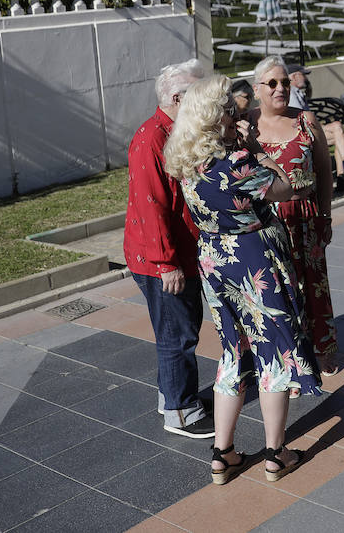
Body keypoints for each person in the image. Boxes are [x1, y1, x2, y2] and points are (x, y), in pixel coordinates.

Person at [166, 76, 322, 485]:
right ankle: (276, 453)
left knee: (232, 353)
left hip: (214, 260)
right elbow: (287, 189)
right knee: (273, 351)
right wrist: (254, 148)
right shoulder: (238, 163)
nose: (238, 116)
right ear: (216, 118)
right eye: (231, 111)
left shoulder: (187, 163)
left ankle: (222, 453)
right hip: (254, 260)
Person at [123, 60, 215, 439]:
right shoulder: (151, 138)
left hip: (178, 254)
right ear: (177, 97)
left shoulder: (173, 131)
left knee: (182, 330)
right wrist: (166, 264)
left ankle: (178, 398)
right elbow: (151, 205)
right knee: (177, 335)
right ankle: (179, 411)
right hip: (163, 259)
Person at [252, 56, 338, 374]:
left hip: (306, 218)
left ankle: (322, 347)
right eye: (272, 83)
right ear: (257, 88)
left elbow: (325, 172)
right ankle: (288, 355)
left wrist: (326, 215)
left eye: (285, 82)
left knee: (313, 285)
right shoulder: (247, 126)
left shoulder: (306, 120)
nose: (280, 88)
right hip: (266, 224)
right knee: (277, 290)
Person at [285, 63, 344, 192]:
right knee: (338, 129)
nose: (306, 79)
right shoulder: (291, 94)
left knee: (338, 132)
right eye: (304, 76)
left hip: (309, 130)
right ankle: (343, 171)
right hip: (303, 133)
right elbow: (302, 119)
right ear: (295, 77)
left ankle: (342, 175)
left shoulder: (296, 92)